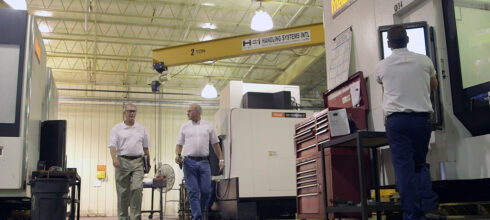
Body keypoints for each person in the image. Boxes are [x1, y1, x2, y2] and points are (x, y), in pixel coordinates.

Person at [375, 25, 445, 220]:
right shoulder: (425, 60)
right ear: (407, 40)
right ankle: (430, 208)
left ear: (388, 43)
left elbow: (383, 85)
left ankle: (412, 214)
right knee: (420, 163)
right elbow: (434, 86)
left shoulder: (381, 66)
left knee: (404, 168)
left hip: (397, 121)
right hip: (422, 119)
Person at [175, 103, 224, 220]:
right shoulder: (184, 127)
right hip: (189, 163)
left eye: (189, 111)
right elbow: (179, 144)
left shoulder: (208, 126)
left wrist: (221, 159)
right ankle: (197, 217)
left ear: (197, 112)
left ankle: (199, 213)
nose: (187, 113)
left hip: (204, 163)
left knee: (206, 190)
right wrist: (177, 155)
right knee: (193, 191)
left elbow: (216, 145)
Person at [108, 103, 151, 220]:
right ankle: (123, 217)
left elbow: (146, 147)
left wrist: (148, 163)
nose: (132, 113)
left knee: (137, 189)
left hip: (138, 162)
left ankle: (135, 217)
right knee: (123, 192)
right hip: (122, 161)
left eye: (134, 111)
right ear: (124, 113)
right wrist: (114, 159)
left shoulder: (142, 129)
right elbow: (112, 146)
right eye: (129, 111)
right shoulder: (117, 129)